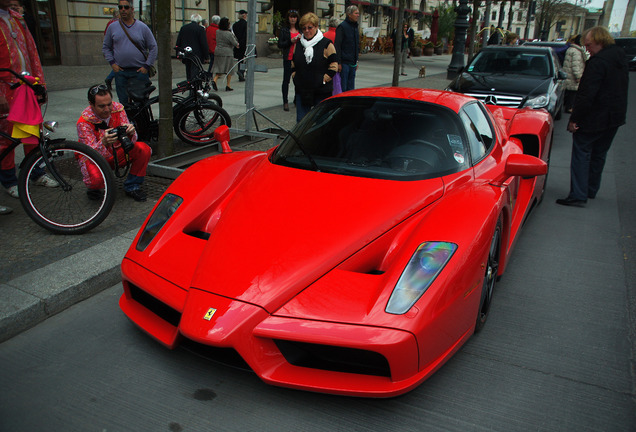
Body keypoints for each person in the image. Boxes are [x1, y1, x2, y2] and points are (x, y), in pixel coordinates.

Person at [556, 26, 628, 208]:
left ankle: (578, 194)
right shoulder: (619, 57)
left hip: (594, 117)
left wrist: (575, 119)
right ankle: (590, 188)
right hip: (614, 117)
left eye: (589, 45)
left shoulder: (597, 63)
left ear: (599, 41)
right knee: (599, 154)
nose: (587, 49)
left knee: (582, 153)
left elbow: (587, 94)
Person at [1, 0, 57, 202]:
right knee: (5, 138)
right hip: (4, 89)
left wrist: (39, 84)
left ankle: (36, 173)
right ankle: (8, 180)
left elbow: (33, 53)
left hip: (25, 87)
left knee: (32, 132)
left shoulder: (18, 20)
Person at [77, 84, 151, 202]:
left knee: (144, 149)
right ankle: (94, 188)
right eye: (101, 106)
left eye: (109, 104)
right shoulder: (84, 122)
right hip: (95, 158)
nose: (107, 109)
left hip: (116, 152)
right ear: (91, 104)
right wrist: (104, 142)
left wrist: (131, 132)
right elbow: (89, 153)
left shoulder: (118, 109)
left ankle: (132, 186)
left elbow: (131, 141)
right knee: (96, 181)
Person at [102, 0, 157, 104]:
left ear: (132, 9)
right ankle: (126, 120)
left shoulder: (142, 27)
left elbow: (153, 47)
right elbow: (106, 47)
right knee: (123, 105)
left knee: (141, 105)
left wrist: (147, 66)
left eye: (126, 7)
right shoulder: (112, 27)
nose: (123, 10)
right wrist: (112, 64)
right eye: (121, 7)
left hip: (139, 73)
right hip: (121, 72)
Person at [292, 12, 338, 122]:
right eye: (304, 28)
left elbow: (334, 65)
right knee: (301, 122)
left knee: (321, 121)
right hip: (302, 89)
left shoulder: (326, 44)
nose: (307, 31)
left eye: (310, 27)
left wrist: (323, 79)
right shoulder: (298, 44)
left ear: (316, 27)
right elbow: (293, 64)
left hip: (321, 90)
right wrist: (295, 77)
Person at [277, 9, 300, 112]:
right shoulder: (284, 30)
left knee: (298, 81)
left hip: (298, 59)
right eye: (291, 17)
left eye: (294, 17)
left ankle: (296, 99)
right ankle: (285, 101)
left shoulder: (300, 29)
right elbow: (280, 44)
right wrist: (290, 41)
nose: (293, 19)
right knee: (286, 81)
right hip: (288, 58)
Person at [175, 13, 209, 80]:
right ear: (199, 22)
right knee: (195, 71)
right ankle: (193, 86)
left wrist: (178, 54)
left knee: (188, 70)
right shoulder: (200, 29)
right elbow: (203, 43)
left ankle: (189, 82)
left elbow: (178, 41)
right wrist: (206, 56)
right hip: (196, 54)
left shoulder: (184, 28)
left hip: (186, 53)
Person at [334, 5, 359, 92]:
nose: (358, 15)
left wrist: (356, 61)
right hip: (344, 63)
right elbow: (337, 45)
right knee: (343, 87)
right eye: (356, 13)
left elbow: (356, 45)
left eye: (358, 13)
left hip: (352, 62)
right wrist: (339, 62)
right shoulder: (342, 27)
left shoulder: (355, 27)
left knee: (351, 88)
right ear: (349, 14)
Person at [211, 17, 239, 92]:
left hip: (218, 51)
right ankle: (228, 85)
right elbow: (235, 43)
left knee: (219, 67)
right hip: (227, 52)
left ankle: (214, 80)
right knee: (229, 69)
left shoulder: (217, 32)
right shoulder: (229, 33)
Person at [562, 34, 586, 113]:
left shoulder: (571, 49)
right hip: (572, 76)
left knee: (568, 92)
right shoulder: (576, 52)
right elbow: (575, 65)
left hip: (568, 74)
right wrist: (578, 76)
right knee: (573, 93)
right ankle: (569, 107)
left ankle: (566, 105)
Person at [104, 8, 120, 89]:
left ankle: (109, 78)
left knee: (117, 65)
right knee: (118, 65)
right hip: (116, 48)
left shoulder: (110, 23)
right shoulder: (115, 24)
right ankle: (109, 78)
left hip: (113, 48)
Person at [232, 9, 247, 82]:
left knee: (240, 59)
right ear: (244, 15)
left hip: (238, 44)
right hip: (245, 44)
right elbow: (246, 35)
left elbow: (234, 35)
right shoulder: (246, 24)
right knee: (246, 59)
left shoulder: (235, 25)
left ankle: (240, 71)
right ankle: (241, 72)